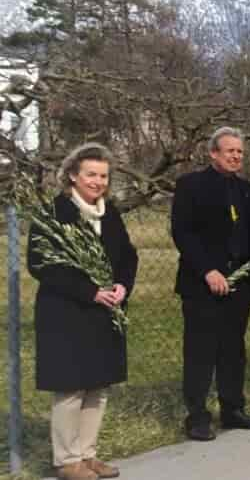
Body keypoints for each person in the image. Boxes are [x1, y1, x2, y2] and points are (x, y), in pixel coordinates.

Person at [28, 143, 137, 480]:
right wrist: (91, 292)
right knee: (72, 387)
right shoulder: (53, 214)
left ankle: (88, 456)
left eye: (103, 175)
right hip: (67, 312)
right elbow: (43, 264)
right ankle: (67, 461)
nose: (98, 181)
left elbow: (127, 256)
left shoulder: (111, 213)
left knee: (98, 386)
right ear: (73, 175)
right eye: (91, 174)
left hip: (106, 312)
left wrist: (122, 285)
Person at [170, 127, 250, 441]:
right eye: (230, 151)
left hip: (239, 284)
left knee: (232, 350)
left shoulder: (248, 191)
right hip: (203, 285)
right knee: (201, 351)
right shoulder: (190, 186)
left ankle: (233, 410)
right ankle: (198, 417)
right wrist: (208, 271)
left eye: (240, 152)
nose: (236, 156)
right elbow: (183, 233)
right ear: (213, 153)